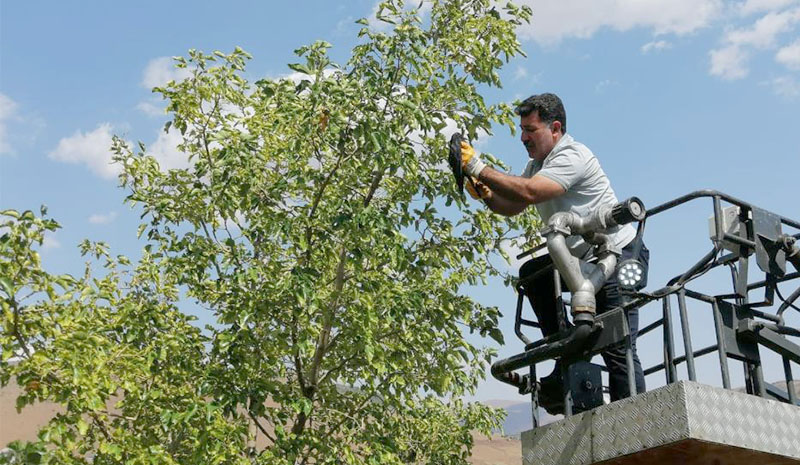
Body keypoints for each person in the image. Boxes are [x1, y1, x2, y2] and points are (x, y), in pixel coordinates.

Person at [459, 93, 648, 410]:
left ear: (555, 128)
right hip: (581, 264)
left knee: (618, 345)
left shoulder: (572, 155)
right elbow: (514, 204)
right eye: (522, 130)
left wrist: (477, 166)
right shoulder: (536, 166)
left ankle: (637, 424)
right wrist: (488, 194)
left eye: (530, 130)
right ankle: (566, 355)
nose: (523, 138)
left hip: (617, 256)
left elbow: (530, 192)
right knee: (534, 275)